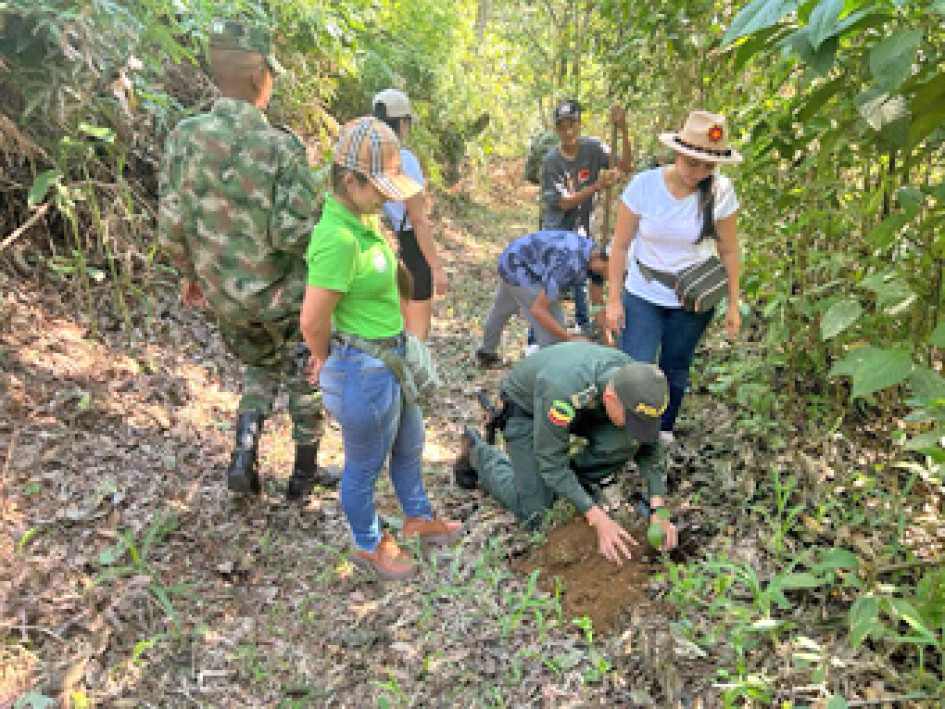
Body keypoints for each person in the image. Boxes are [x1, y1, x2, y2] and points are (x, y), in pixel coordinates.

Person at [158, 18, 336, 502]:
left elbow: (171, 226)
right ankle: (303, 476)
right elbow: (291, 232)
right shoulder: (279, 145)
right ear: (260, 77)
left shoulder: (183, 138)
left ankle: (243, 454)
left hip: (224, 296)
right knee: (305, 364)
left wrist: (192, 276)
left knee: (259, 363)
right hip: (281, 295)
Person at [300, 117, 462, 580]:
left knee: (410, 445)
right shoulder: (337, 237)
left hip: (391, 360)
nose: (388, 198)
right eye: (379, 188)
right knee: (365, 465)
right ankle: (369, 544)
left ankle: (417, 517)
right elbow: (313, 319)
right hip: (363, 369)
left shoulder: (366, 221)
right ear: (349, 182)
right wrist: (327, 358)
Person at [455, 342, 678, 565]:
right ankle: (477, 452)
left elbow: (650, 443)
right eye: (632, 420)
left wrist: (658, 507)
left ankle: (570, 488)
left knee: (625, 441)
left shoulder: (638, 383)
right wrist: (598, 518)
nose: (637, 426)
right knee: (536, 513)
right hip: (527, 411)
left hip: (585, 409)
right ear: (611, 398)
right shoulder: (562, 391)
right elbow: (551, 461)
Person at [605, 110, 742, 444]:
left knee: (675, 367)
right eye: (693, 162)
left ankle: (662, 430)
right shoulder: (644, 186)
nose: (699, 173)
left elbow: (728, 250)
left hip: (691, 298)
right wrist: (613, 300)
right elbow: (620, 245)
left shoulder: (720, 192)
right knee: (635, 365)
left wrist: (734, 304)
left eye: (708, 166)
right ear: (677, 152)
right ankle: (625, 432)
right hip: (643, 291)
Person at [540, 99, 633, 331]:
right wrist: (596, 186)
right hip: (557, 229)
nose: (568, 131)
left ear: (580, 125)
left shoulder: (593, 148)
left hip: (583, 228)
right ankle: (538, 336)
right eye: (562, 126)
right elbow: (562, 203)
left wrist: (622, 130)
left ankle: (584, 325)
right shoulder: (552, 161)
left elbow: (624, 166)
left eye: (572, 124)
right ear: (556, 129)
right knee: (553, 283)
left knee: (585, 277)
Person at [373, 89, 448, 340]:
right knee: (416, 337)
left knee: (391, 333)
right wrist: (436, 267)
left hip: (377, 248)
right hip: (410, 250)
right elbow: (417, 219)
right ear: (403, 123)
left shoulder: (365, 159)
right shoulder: (404, 160)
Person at [474, 230, 610, 366]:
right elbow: (539, 309)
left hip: (513, 258)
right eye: (611, 271)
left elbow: (598, 302)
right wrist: (570, 338)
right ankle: (550, 368)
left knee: (501, 309)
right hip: (519, 266)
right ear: (600, 259)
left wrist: (607, 337)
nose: (612, 277)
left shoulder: (596, 260)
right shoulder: (569, 264)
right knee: (554, 328)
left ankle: (486, 353)